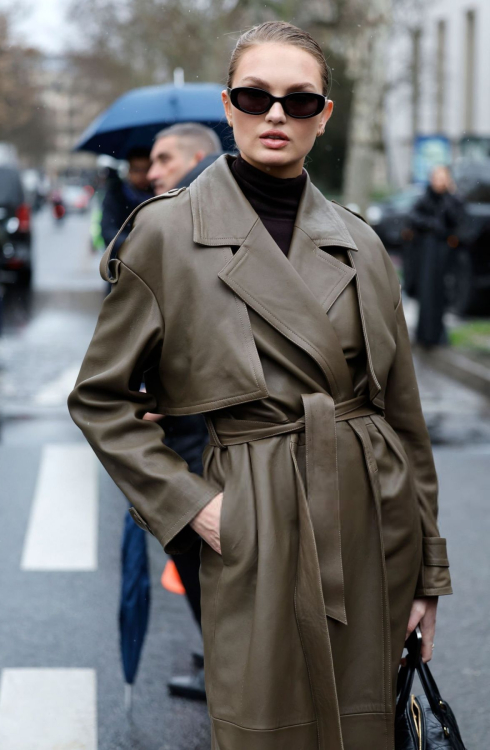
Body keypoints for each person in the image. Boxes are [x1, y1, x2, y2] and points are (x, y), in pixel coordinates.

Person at [68, 21, 452, 750]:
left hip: (372, 525)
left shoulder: (362, 242)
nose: (277, 114)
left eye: (299, 100)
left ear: (323, 116)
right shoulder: (165, 234)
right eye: (255, 96)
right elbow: (100, 399)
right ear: (230, 106)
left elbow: (403, 416)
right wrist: (196, 508)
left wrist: (426, 574)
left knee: (366, 726)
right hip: (254, 520)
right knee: (266, 729)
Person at [145, 123, 223, 701]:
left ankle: (224, 667)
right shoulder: (176, 216)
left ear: (199, 156)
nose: (152, 171)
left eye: (163, 158)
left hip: (202, 433)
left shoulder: (187, 221)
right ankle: (223, 656)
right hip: (191, 423)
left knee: (203, 556)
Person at [409, 165, 464, 347]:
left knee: (441, 293)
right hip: (426, 254)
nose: (439, 181)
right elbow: (413, 218)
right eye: (436, 177)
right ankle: (424, 335)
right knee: (426, 292)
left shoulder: (452, 199)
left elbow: (457, 220)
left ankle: (438, 335)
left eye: (443, 178)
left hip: (445, 255)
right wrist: (431, 225)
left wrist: (449, 195)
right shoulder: (425, 198)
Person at [100, 146, 153, 249]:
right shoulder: (116, 195)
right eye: (136, 170)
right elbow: (108, 232)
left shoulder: (160, 192)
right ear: (129, 170)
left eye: (146, 170)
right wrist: (135, 245)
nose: (141, 175)